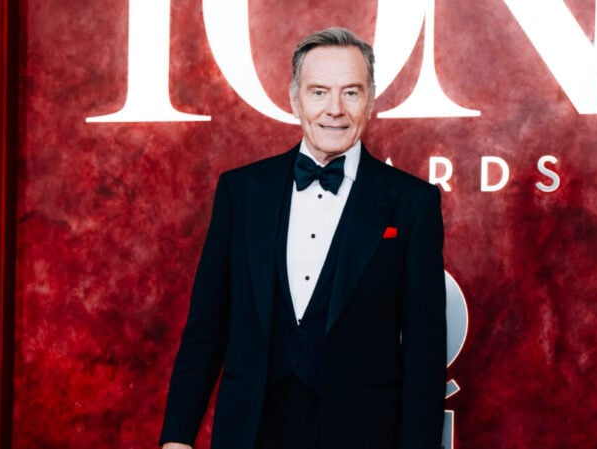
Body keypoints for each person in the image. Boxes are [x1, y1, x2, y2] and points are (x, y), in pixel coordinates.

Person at [159, 27, 446, 449]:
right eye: (318, 92)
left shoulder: (412, 202)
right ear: (294, 99)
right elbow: (206, 327)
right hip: (250, 430)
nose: (335, 109)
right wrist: (177, 438)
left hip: (362, 434)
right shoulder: (242, 192)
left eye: (351, 92)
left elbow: (424, 353)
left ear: (370, 100)